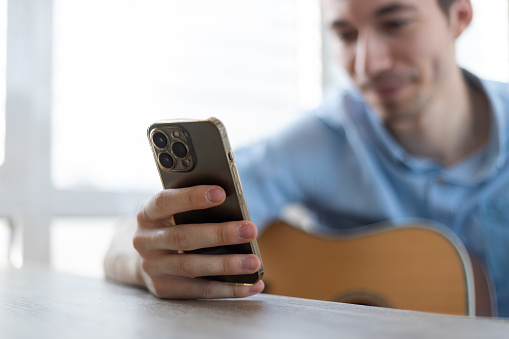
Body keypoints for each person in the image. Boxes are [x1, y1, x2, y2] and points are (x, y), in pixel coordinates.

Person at [104, 0, 509, 317]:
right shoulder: (320, 139)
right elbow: (128, 241)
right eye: (346, 34)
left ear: (459, 16)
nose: (368, 64)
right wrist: (146, 260)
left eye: (395, 23)